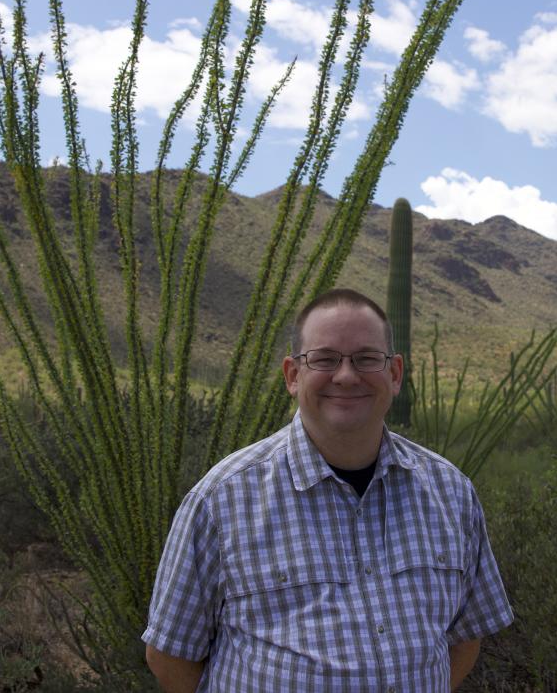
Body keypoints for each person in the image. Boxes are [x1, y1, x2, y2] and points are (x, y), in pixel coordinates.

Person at [143, 288, 513, 692]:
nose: (347, 375)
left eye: (366, 358)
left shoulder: (450, 492)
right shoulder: (221, 500)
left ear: (394, 374)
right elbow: (170, 657)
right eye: (324, 359)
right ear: (292, 375)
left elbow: (465, 635)